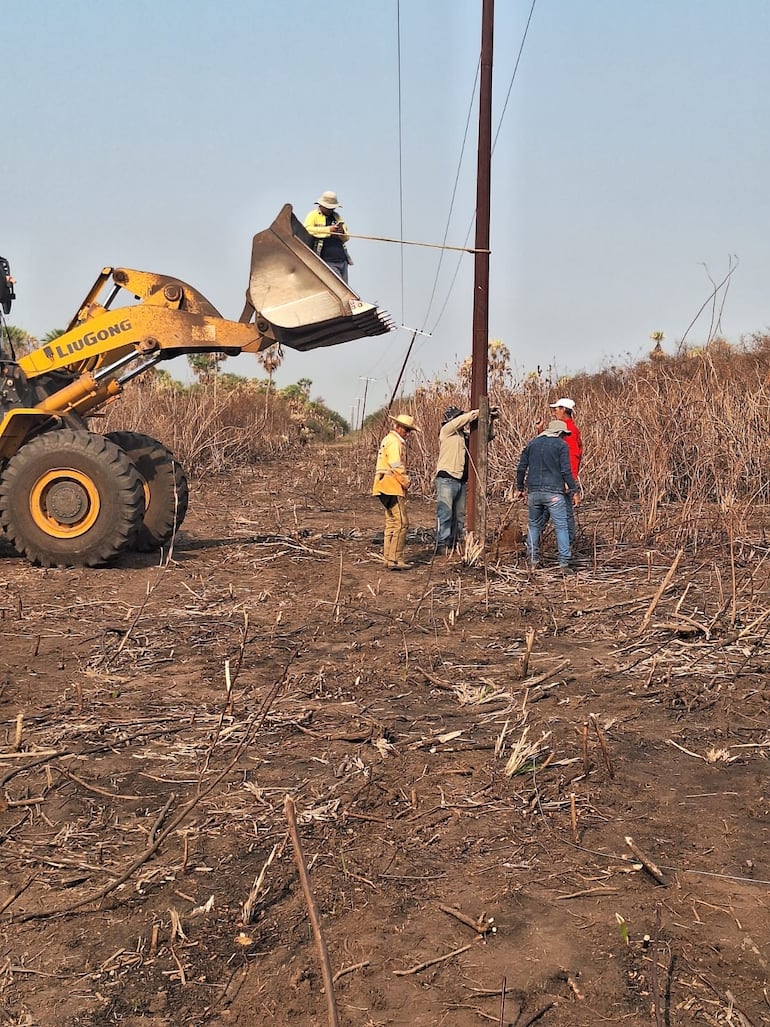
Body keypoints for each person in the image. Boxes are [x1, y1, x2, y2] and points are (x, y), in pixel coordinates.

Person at [514, 419, 577, 570]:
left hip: (534, 492)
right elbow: (566, 471)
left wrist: (520, 487)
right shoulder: (561, 445)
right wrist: (574, 491)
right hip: (554, 493)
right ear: (559, 433)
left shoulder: (532, 443)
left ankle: (533, 561)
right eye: (563, 434)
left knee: (534, 525)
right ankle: (563, 563)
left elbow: (521, 467)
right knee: (561, 527)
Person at [372, 413, 421, 570]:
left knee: (391, 522)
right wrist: (406, 482)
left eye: (409, 431)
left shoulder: (387, 439)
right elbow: (396, 465)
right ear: (398, 427)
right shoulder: (395, 442)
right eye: (406, 430)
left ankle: (388, 558)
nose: (407, 433)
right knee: (402, 523)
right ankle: (395, 559)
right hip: (391, 486)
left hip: (382, 486)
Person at [434, 405, 479, 554]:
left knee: (459, 515)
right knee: (445, 513)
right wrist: (478, 412)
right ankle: (442, 544)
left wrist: (489, 420)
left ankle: (454, 543)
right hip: (446, 478)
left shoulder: (464, 436)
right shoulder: (446, 431)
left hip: (460, 480)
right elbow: (461, 420)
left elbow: (485, 438)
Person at [549, 397, 583, 544]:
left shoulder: (569, 431)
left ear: (564, 410)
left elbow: (573, 456)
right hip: (559, 478)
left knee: (565, 512)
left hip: (563, 479)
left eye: (556, 409)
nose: (553, 412)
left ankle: (569, 543)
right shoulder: (563, 429)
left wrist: (570, 481)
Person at [303, 191, 351, 282]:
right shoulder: (313, 215)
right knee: (338, 287)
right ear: (321, 205)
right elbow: (307, 229)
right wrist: (329, 230)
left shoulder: (337, 216)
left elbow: (347, 237)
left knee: (345, 290)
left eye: (333, 208)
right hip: (326, 260)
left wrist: (341, 232)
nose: (331, 210)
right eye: (329, 208)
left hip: (342, 260)